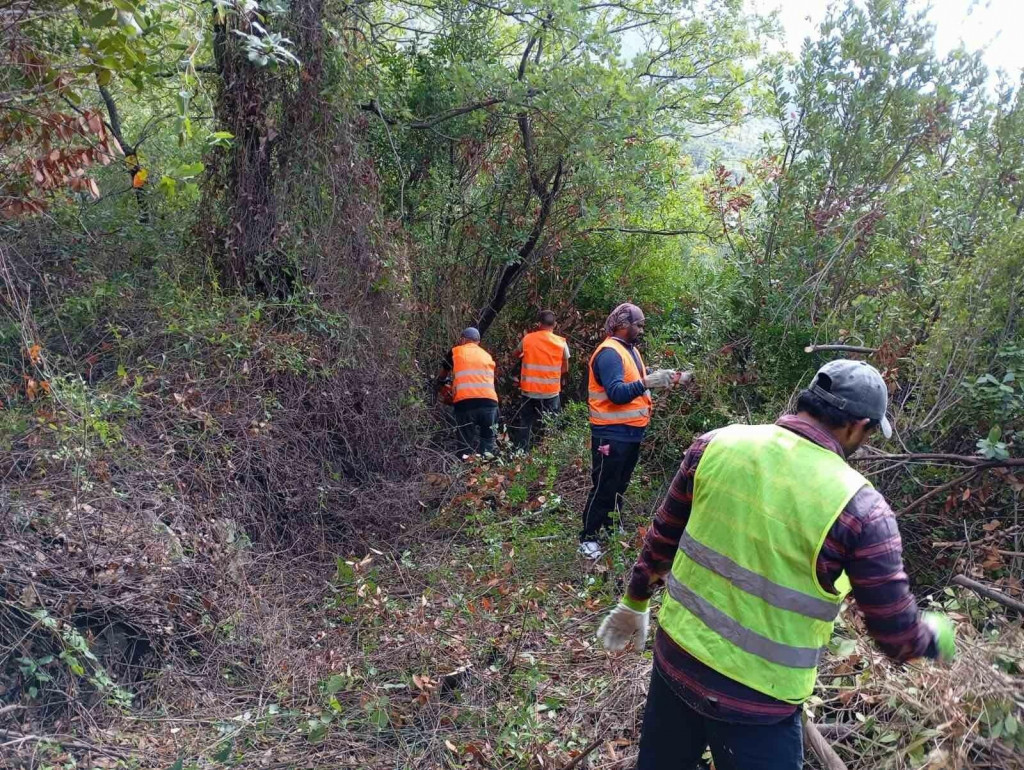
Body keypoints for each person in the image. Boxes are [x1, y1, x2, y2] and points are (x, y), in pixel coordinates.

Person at [596, 359, 957, 770]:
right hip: (759, 704)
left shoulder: (716, 443)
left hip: (676, 665)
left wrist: (635, 600)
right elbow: (897, 637)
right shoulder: (862, 510)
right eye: (871, 431)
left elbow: (663, 538)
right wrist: (940, 636)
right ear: (857, 426)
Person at [580, 303, 688, 559]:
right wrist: (648, 382)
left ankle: (611, 526)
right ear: (622, 324)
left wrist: (674, 377)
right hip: (610, 433)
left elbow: (636, 378)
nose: (641, 329)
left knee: (620, 484)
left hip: (630, 433)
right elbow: (617, 393)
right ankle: (588, 537)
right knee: (604, 485)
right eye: (638, 325)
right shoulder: (608, 353)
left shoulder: (630, 351)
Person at [437, 327, 499, 457]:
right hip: (490, 404)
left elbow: (443, 375)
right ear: (478, 342)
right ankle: (486, 471)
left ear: (463, 339)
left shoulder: (456, 351)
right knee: (487, 440)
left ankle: (464, 471)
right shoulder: (487, 355)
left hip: (465, 404)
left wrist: (441, 384)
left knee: (465, 443)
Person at [512, 310, 570, 450]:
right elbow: (565, 369)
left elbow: (515, 354)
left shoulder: (528, 339)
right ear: (555, 324)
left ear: (539, 324)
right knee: (550, 426)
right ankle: (547, 455)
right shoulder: (561, 343)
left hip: (529, 391)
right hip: (550, 393)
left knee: (525, 425)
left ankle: (521, 455)